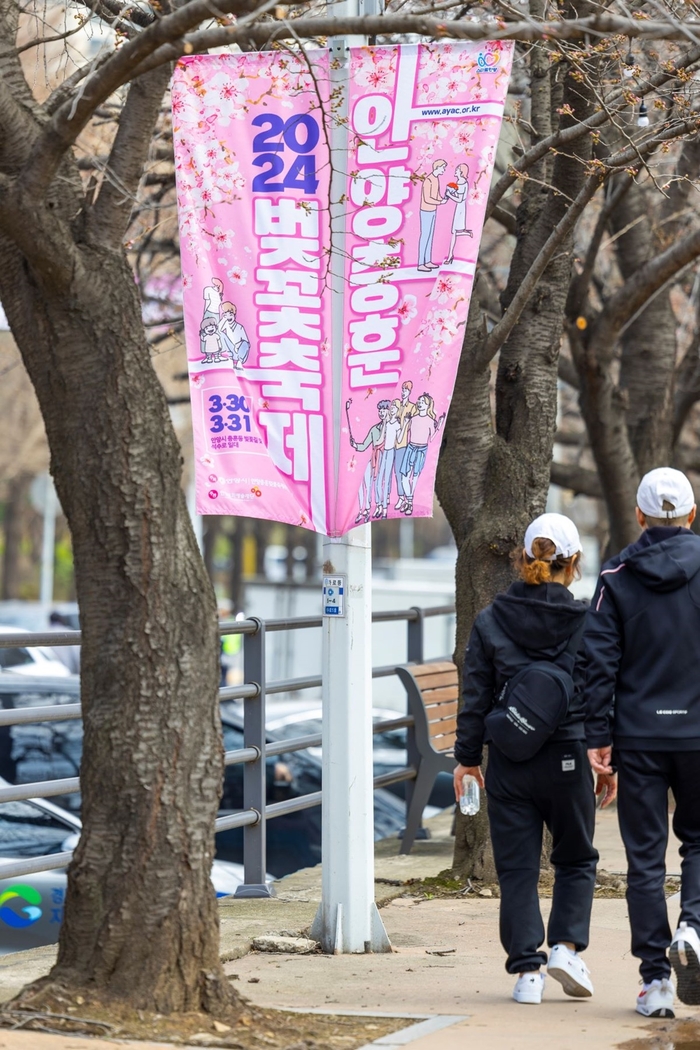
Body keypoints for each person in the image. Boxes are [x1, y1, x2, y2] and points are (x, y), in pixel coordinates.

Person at [453, 513, 615, 1005]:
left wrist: (467, 759)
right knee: (576, 857)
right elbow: (599, 690)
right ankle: (566, 948)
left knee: (519, 867)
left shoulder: (490, 619)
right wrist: (604, 752)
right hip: (567, 756)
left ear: (524, 559)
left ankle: (527, 972)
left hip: (509, 757)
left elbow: (475, 694)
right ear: (574, 564)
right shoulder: (586, 620)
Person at [584, 467, 700, 1018]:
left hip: (638, 735)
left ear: (639, 515)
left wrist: (598, 739)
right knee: (699, 842)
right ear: (692, 516)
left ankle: (655, 980)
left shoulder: (616, 575)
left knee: (645, 861)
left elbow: (598, 663)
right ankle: (694, 928)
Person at [417, 160, 447, 271]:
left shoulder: (435, 179)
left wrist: (442, 199)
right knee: (425, 236)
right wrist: (439, 202)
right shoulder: (428, 180)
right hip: (426, 211)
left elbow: (437, 195)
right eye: (443, 167)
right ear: (437, 167)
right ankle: (421, 263)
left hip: (433, 210)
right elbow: (427, 198)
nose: (444, 170)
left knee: (430, 236)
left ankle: (428, 261)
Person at [444, 163, 473, 264]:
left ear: (461, 172)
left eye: (457, 170)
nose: (455, 171)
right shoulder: (460, 182)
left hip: (460, 208)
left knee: (454, 232)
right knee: (454, 232)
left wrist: (449, 194)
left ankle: (450, 255)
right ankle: (467, 233)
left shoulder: (462, 182)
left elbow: (459, 199)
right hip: (460, 207)